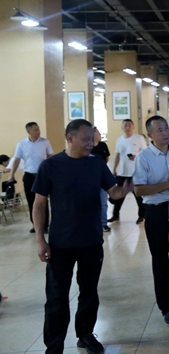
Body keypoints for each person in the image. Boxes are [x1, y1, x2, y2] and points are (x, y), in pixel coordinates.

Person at [32, 119, 133, 354]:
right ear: (70, 138)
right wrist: (40, 240)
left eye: (93, 139)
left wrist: (126, 189)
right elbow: (39, 204)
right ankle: (54, 347)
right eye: (86, 139)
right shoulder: (50, 166)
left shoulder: (96, 163)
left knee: (89, 293)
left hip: (91, 241)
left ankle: (85, 334)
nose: (91, 143)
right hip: (60, 244)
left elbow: (113, 192)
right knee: (56, 298)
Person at [134, 116, 169, 327]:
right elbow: (139, 189)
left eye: (166, 128)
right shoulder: (143, 157)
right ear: (150, 135)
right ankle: (167, 308)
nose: (166, 133)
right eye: (160, 130)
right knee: (160, 260)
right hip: (156, 210)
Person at [8, 122, 53, 233]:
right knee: (31, 201)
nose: (39, 131)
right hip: (29, 176)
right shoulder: (21, 144)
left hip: (42, 176)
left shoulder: (45, 142)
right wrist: (11, 175)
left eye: (39, 129)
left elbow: (50, 157)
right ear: (29, 131)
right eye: (36, 130)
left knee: (43, 201)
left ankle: (45, 225)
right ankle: (36, 225)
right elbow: (16, 160)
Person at [110, 119, 147, 224]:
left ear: (133, 127)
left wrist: (136, 157)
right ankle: (115, 215)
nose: (127, 127)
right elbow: (118, 155)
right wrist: (114, 168)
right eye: (125, 125)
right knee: (120, 194)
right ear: (122, 127)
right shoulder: (119, 140)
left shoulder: (139, 138)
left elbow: (145, 153)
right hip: (123, 172)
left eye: (130, 125)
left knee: (138, 195)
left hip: (135, 172)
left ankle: (142, 215)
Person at [91, 127, 111, 232]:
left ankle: (103, 223)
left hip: (102, 177)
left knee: (103, 201)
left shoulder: (103, 145)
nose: (99, 134)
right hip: (90, 179)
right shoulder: (87, 147)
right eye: (97, 132)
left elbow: (106, 158)